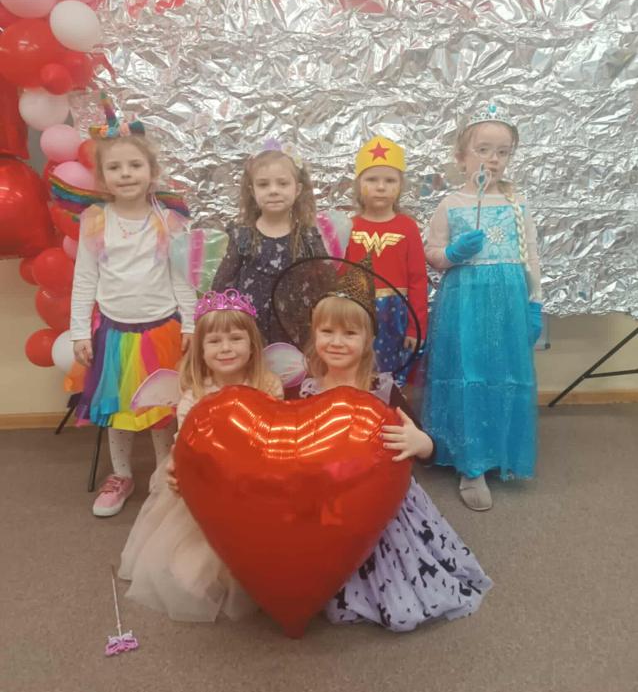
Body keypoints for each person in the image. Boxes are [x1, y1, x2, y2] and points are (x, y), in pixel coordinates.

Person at [284, 256, 492, 631]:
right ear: (314, 334)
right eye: (327, 331)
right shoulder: (305, 391)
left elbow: (429, 450)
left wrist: (420, 441)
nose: (336, 342)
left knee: (397, 581)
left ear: (368, 341)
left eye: (350, 333)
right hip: (327, 501)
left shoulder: (382, 390)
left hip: (381, 503)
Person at [119, 289, 283, 622]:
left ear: (252, 344)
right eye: (215, 341)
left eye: (236, 338)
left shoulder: (268, 385)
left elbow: (276, 435)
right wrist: (178, 470)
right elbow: (186, 445)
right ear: (201, 350)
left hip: (256, 477)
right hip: (209, 481)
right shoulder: (195, 395)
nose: (226, 348)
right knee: (197, 561)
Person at [70, 97, 196, 517]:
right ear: (103, 176)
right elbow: (85, 278)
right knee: (118, 410)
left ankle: (163, 473)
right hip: (116, 333)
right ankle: (121, 474)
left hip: (162, 330)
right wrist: (79, 331)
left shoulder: (168, 220)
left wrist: (191, 324)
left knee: (162, 409)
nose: (125, 173)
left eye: (135, 165)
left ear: (151, 172)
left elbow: (182, 277)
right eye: (115, 167)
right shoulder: (95, 219)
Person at [422, 102, 542, 511]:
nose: (493, 159)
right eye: (484, 149)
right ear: (461, 157)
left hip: (508, 303)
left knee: (504, 373)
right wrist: (452, 253)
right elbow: (433, 253)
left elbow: (531, 257)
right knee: (467, 374)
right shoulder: (451, 204)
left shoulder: (517, 203)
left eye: (503, 152)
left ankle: (499, 449)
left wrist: (534, 303)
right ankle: (470, 462)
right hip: (465, 303)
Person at [212, 141, 327, 348]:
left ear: (298, 189)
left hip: (297, 331)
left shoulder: (307, 236)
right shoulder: (242, 235)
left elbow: (325, 284)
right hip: (251, 333)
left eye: (282, 183)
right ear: (252, 190)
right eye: (263, 184)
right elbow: (222, 286)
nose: (273, 191)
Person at [345, 135, 428, 382]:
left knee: (390, 379)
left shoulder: (407, 227)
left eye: (390, 180)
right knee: (354, 372)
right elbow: (338, 278)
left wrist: (416, 327)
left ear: (400, 186)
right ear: (359, 184)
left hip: (395, 316)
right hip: (356, 314)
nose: (381, 187)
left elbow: (418, 280)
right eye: (372, 179)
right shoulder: (348, 227)